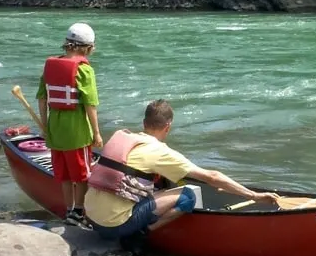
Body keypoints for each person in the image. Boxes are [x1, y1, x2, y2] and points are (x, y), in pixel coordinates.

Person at [83, 99, 279, 243]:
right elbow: (212, 176)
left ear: (144, 123)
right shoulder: (160, 152)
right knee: (187, 195)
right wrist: (254, 195)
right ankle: (144, 233)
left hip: (91, 218)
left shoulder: (124, 138)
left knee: (158, 185)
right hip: (114, 227)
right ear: (168, 127)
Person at [36, 22, 103, 227]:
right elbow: (90, 104)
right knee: (82, 174)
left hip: (55, 127)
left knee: (64, 174)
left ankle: (68, 210)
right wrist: (97, 133)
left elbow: (42, 98)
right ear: (88, 48)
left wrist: (45, 127)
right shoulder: (83, 70)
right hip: (77, 131)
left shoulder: (51, 65)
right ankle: (79, 212)